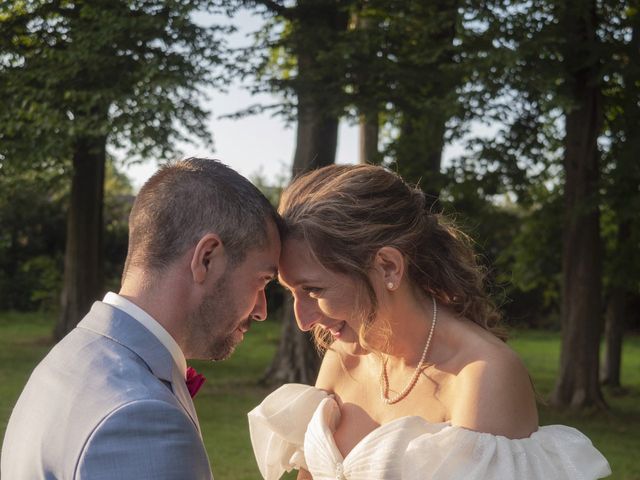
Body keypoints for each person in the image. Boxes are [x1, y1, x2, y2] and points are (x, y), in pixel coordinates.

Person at [248, 164, 611, 480]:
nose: (302, 319)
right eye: (291, 291)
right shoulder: (342, 357)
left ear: (388, 266)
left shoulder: (482, 376)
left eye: (313, 289)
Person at [2, 158, 281, 479]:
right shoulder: (139, 418)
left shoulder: (68, 358)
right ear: (207, 258)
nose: (261, 310)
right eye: (262, 280)